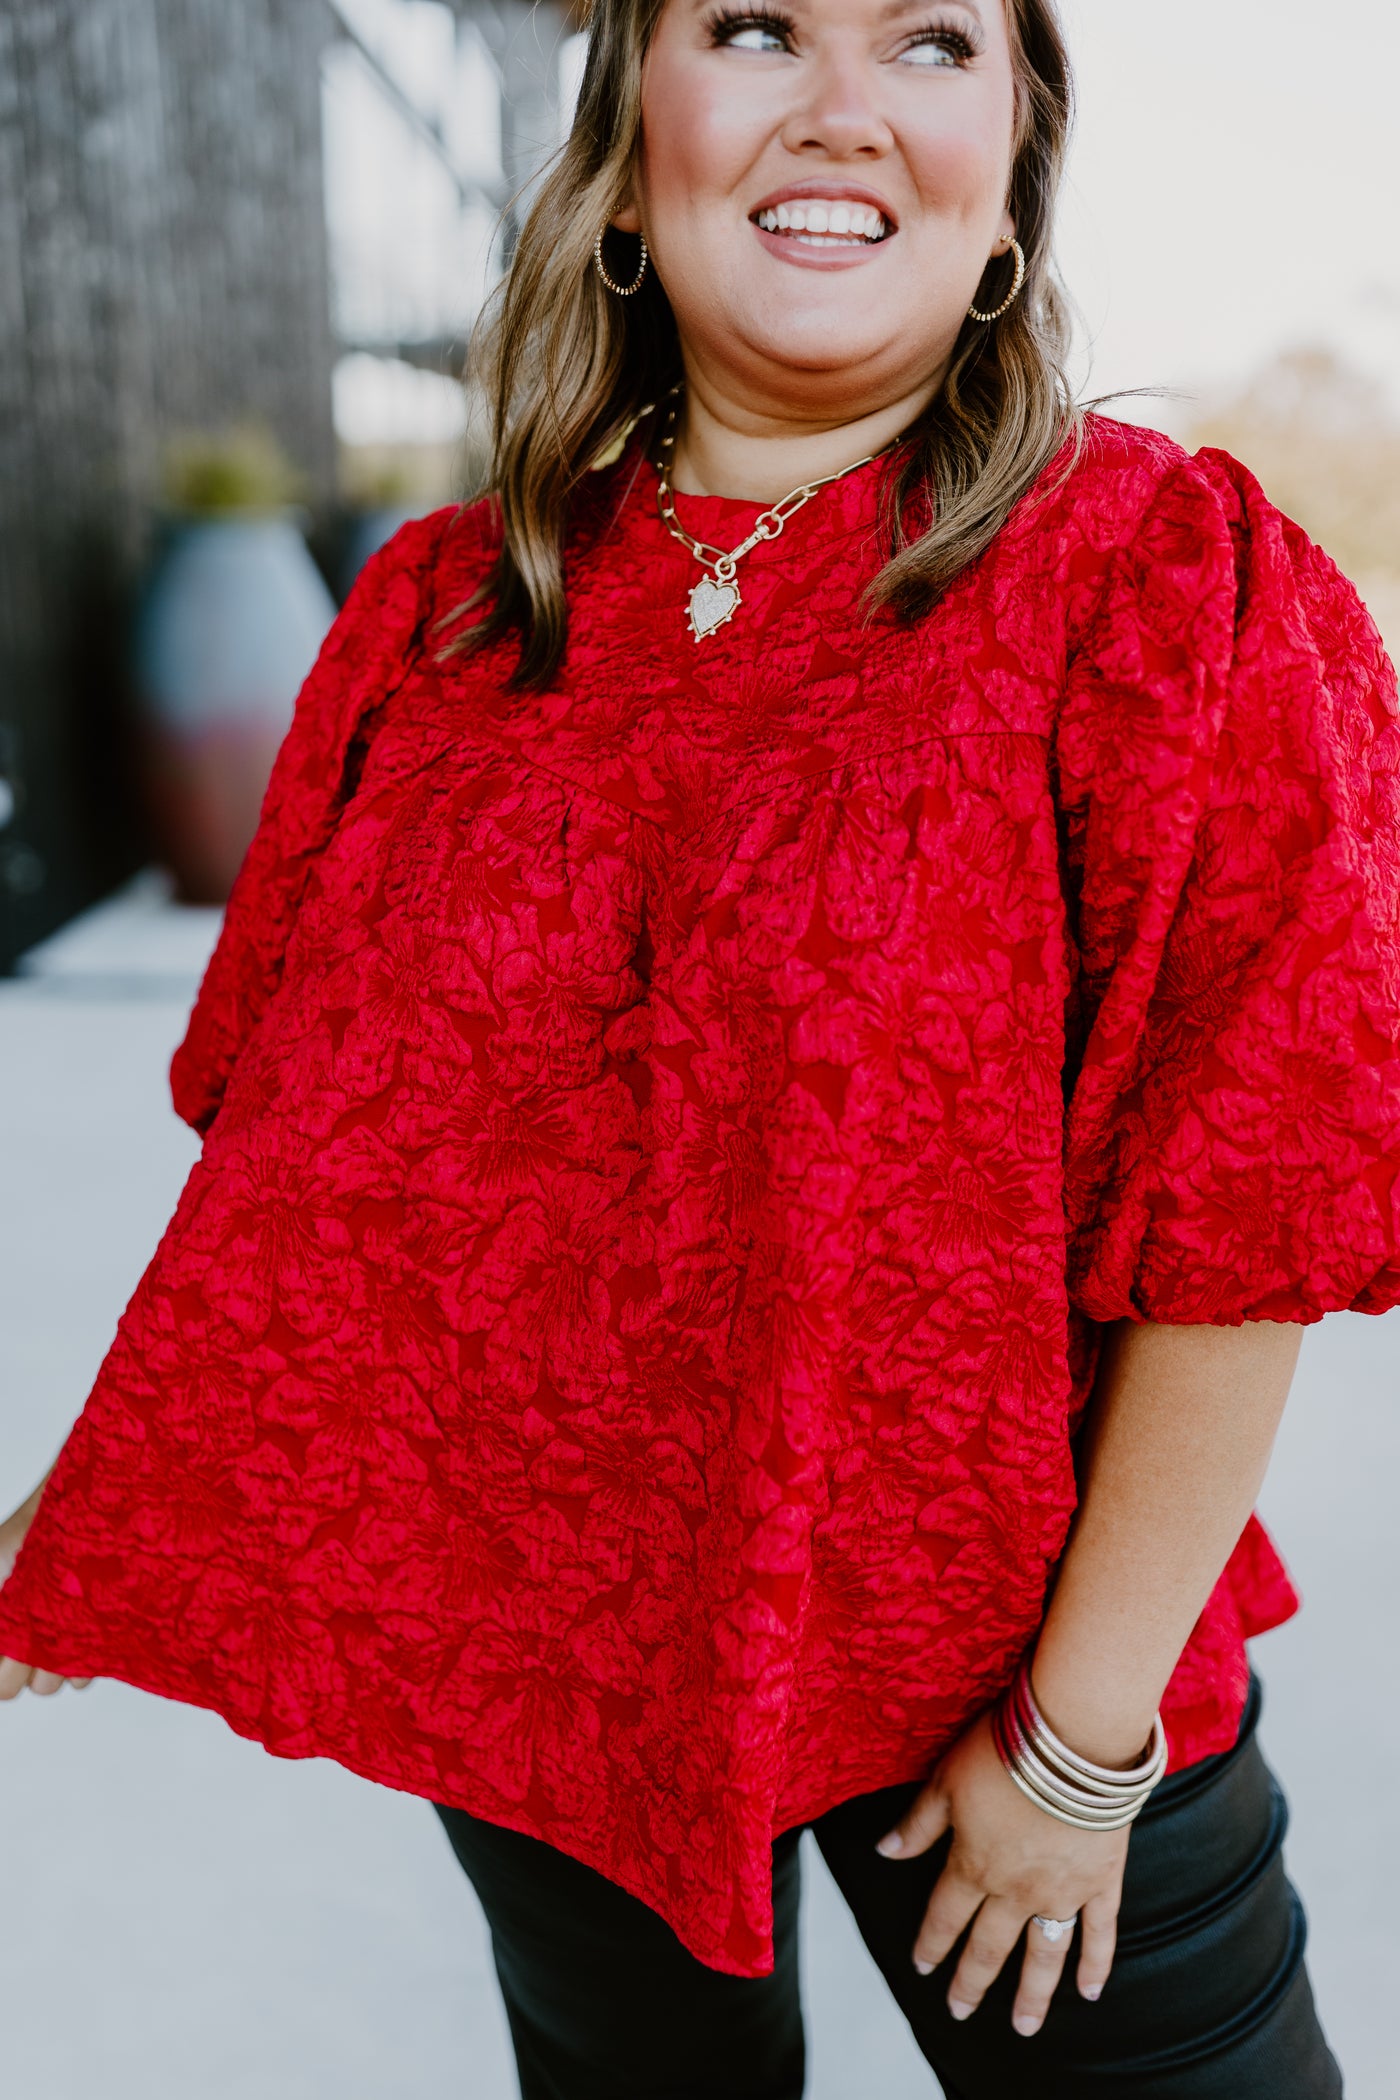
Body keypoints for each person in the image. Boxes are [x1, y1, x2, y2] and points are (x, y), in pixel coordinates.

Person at [1, 0, 1396, 2090]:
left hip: (1011, 1674)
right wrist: (119, 1499)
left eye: (929, 42)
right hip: (551, 1655)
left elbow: (1244, 1208)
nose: (841, 106)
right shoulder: (444, 615)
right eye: (756, 26)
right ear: (628, 148)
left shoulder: (1153, 582)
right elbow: (325, 1158)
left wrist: (1081, 1751)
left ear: (1006, 180)